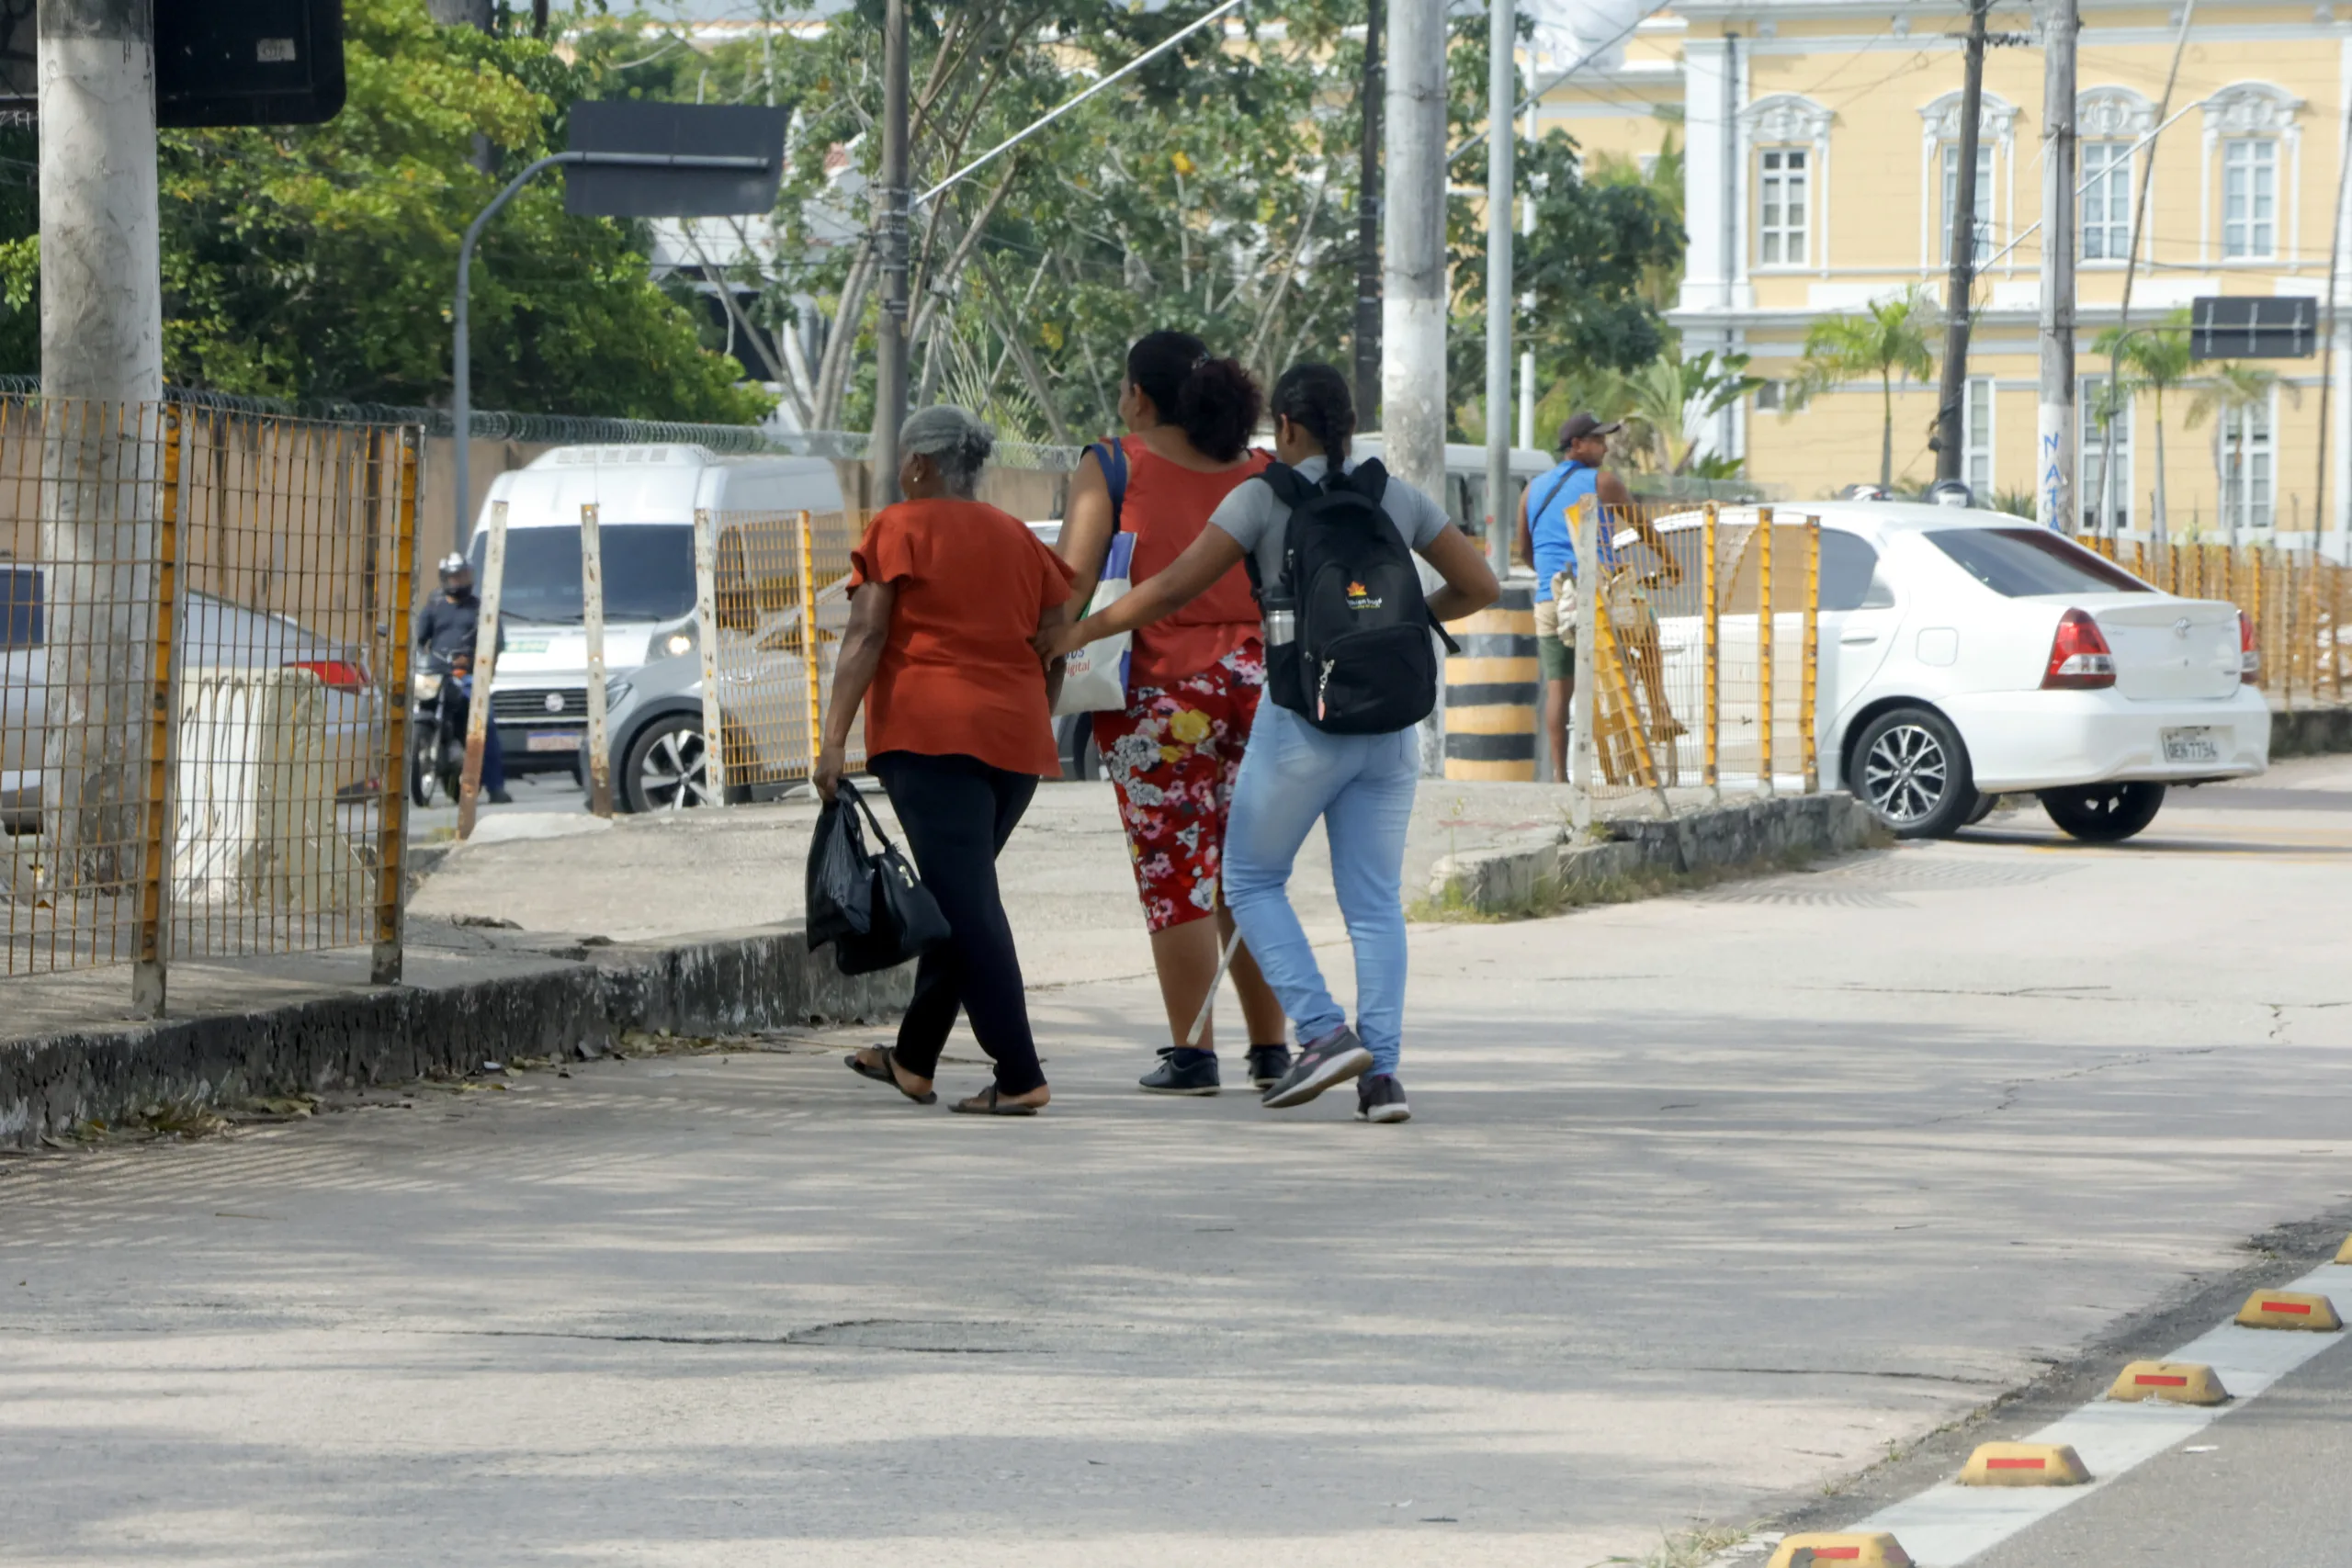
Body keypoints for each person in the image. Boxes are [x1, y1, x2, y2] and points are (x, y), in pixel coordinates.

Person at [1038, 364, 1498, 1124]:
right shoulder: (1396, 495)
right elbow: (1478, 584)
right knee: (1375, 903)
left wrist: (1080, 630)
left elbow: (1175, 587)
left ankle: (1320, 1030)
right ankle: (1382, 1076)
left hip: (1301, 725)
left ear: (1285, 426)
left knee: (1249, 879)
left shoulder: (1262, 497)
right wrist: (1401, 631)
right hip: (1390, 731)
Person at [814, 406, 1075, 1117]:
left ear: (921, 464)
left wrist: (833, 738)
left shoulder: (899, 525)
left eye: (903, 458)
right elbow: (1057, 643)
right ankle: (914, 1059)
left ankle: (1020, 1073)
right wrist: (1028, 715)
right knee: (959, 895)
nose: (901, 469)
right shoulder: (1020, 538)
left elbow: (867, 633)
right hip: (1013, 745)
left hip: (931, 738)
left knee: (968, 906)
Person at [1056, 331, 1292, 1098]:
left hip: (1162, 690)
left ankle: (1193, 1052)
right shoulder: (1260, 469)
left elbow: (1070, 579)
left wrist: (1046, 646)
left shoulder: (1113, 462)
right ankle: (1271, 1048)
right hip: (1258, 684)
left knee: (1176, 868)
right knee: (1249, 870)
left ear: (1138, 396)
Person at [1516, 412, 1683, 775]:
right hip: (1600, 597)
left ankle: (1560, 776)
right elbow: (1644, 530)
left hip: (1551, 601)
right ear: (1576, 445)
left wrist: (1550, 579)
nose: (1605, 447)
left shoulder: (1531, 490)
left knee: (1560, 690)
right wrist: (1672, 564)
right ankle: (1658, 711)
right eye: (1598, 440)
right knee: (1649, 630)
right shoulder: (1604, 483)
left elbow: (1525, 551)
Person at [414, 552, 510, 805]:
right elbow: (417, 639)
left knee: (484, 725)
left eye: (463, 575)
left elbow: (496, 642)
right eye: (454, 576)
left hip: (468, 677)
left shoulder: (481, 609)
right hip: (436, 673)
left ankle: (495, 786)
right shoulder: (434, 606)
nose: (459, 581)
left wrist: (476, 660)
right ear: (445, 578)